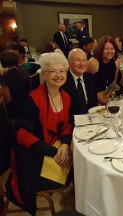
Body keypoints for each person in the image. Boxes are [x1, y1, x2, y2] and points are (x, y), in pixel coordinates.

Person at [5, 52, 73, 215]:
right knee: (74, 171)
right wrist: (54, 152)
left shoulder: (65, 97)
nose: (58, 75)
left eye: (62, 71)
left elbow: (66, 126)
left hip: (55, 147)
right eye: (52, 71)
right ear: (44, 74)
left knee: (77, 164)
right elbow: (22, 135)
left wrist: (64, 144)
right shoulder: (33, 100)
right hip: (33, 156)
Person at [61, 48, 98, 115]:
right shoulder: (63, 81)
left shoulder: (91, 78)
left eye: (84, 60)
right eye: (78, 60)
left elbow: (94, 104)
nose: (81, 64)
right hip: (72, 121)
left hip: (92, 119)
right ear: (69, 62)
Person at [86, 35, 120, 104]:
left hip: (107, 96)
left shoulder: (116, 61)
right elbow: (88, 86)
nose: (110, 51)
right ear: (101, 49)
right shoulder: (93, 62)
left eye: (112, 49)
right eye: (106, 49)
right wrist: (100, 99)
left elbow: (113, 82)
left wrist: (108, 95)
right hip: (92, 97)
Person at [0, 49, 30, 119]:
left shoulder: (5, 77)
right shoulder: (23, 70)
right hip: (27, 105)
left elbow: (7, 100)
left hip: (15, 111)